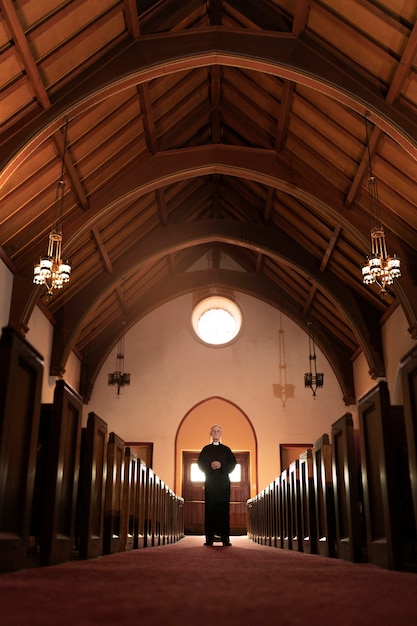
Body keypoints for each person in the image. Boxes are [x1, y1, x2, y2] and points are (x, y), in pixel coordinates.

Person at [197, 424, 237, 546]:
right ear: (210, 433)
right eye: (213, 431)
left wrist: (221, 466)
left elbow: (233, 464)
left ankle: (225, 538)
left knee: (224, 511)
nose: (216, 433)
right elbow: (199, 464)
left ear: (221, 434)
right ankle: (209, 539)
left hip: (223, 484)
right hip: (210, 484)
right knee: (210, 511)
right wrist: (210, 466)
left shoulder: (226, 450)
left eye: (218, 431)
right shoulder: (205, 449)